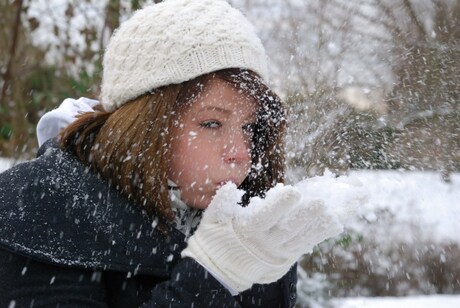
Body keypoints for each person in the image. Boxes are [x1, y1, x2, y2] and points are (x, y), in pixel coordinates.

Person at [0, 0, 360, 306]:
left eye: (250, 128)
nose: (240, 154)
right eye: (212, 124)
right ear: (144, 126)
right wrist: (213, 275)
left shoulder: (251, 224)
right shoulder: (37, 207)